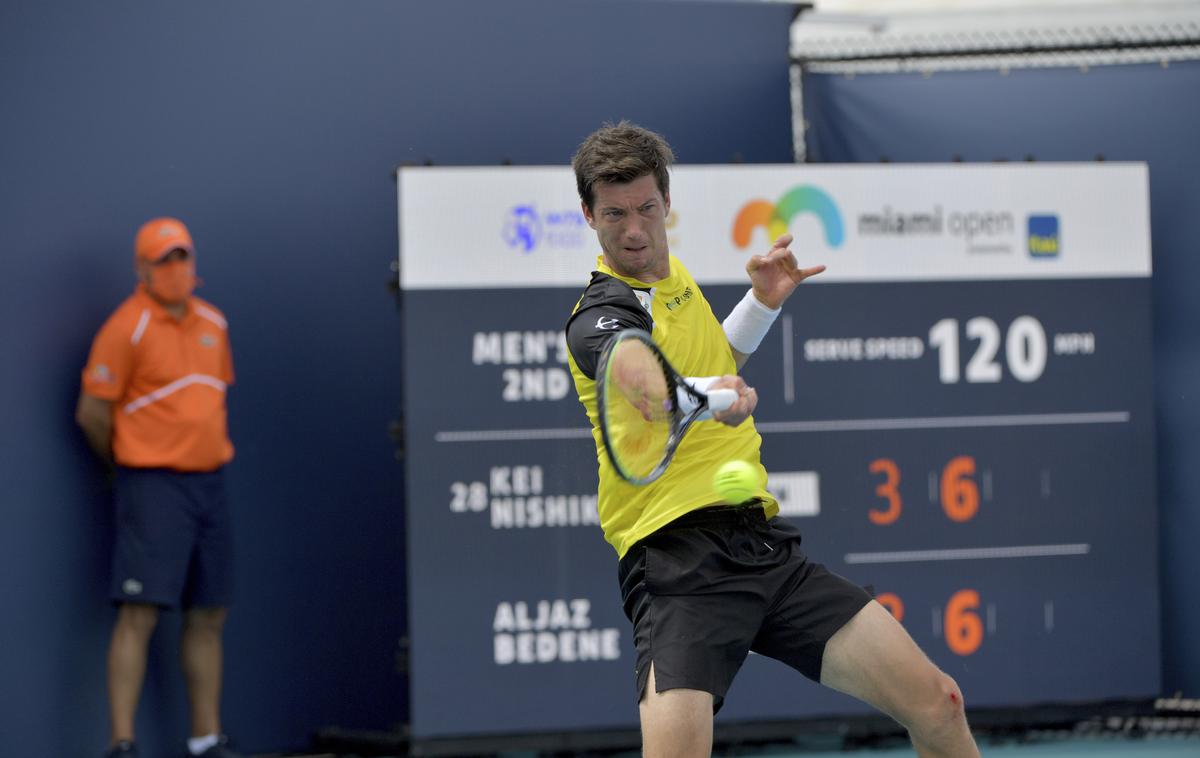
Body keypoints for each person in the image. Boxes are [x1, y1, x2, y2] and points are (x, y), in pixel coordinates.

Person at [564, 122, 981, 758]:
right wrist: (712, 400)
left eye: (647, 208)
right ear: (589, 215)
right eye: (615, 214)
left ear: (666, 204)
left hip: (762, 549)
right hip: (678, 565)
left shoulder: (679, 287)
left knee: (939, 703)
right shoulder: (601, 312)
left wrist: (761, 304)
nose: (635, 230)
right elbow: (641, 381)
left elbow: (711, 358)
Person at [76, 217, 241, 758]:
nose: (176, 270)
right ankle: (122, 743)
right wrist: (129, 462)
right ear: (142, 269)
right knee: (139, 613)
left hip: (209, 485)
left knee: (209, 612)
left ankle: (205, 738)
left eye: (182, 258)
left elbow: (209, 404)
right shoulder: (127, 327)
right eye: (164, 260)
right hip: (152, 486)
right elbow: (93, 414)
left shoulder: (214, 323)